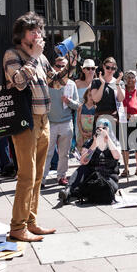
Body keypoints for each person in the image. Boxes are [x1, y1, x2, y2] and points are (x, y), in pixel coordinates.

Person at [3, 11, 76, 242]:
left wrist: (71, 66)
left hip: (44, 121)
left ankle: (31, 221)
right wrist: (34, 58)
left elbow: (56, 82)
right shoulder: (12, 54)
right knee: (27, 175)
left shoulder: (42, 57)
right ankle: (17, 227)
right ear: (21, 34)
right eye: (33, 30)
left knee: (37, 177)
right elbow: (18, 82)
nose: (39, 34)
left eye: (40, 30)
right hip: (26, 122)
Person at [59, 118, 121, 204]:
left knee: (103, 188)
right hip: (92, 175)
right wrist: (94, 145)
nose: (101, 131)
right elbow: (83, 161)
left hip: (109, 176)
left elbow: (117, 156)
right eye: (99, 128)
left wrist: (108, 139)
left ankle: (81, 192)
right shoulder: (90, 142)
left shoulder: (115, 142)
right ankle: (68, 190)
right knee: (82, 169)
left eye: (104, 128)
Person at [42, 57, 80, 188]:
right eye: (58, 66)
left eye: (63, 66)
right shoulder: (48, 82)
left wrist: (69, 102)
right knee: (47, 152)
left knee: (64, 153)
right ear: (53, 67)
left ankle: (62, 176)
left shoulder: (71, 84)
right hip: (50, 122)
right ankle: (42, 179)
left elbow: (77, 105)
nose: (60, 69)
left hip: (66, 121)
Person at [91, 57, 125, 130]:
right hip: (100, 119)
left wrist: (117, 84)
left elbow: (121, 99)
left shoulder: (120, 82)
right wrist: (103, 84)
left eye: (113, 68)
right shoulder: (96, 81)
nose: (110, 70)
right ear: (103, 67)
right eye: (108, 67)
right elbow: (96, 99)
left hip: (114, 119)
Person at [121, 70, 137, 177]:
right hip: (125, 120)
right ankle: (126, 168)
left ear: (136, 79)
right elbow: (118, 104)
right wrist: (125, 114)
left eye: (132, 77)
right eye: (128, 77)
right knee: (125, 146)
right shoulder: (122, 90)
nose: (130, 80)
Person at [73, 59, 96, 155]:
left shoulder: (97, 83)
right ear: (83, 70)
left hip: (93, 114)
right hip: (80, 114)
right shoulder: (76, 83)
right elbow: (73, 99)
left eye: (93, 68)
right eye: (88, 68)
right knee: (80, 139)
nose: (90, 71)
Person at [76, 88, 96, 152]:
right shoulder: (81, 107)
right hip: (82, 134)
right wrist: (82, 132)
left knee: (91, 150)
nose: (91, 97)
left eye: (93, 95)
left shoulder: (96, 108)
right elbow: (78, 121)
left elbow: (96, 122)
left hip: (92, 134)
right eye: (90, 95)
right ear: (86, 96)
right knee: (82, 150)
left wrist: (92, 133)